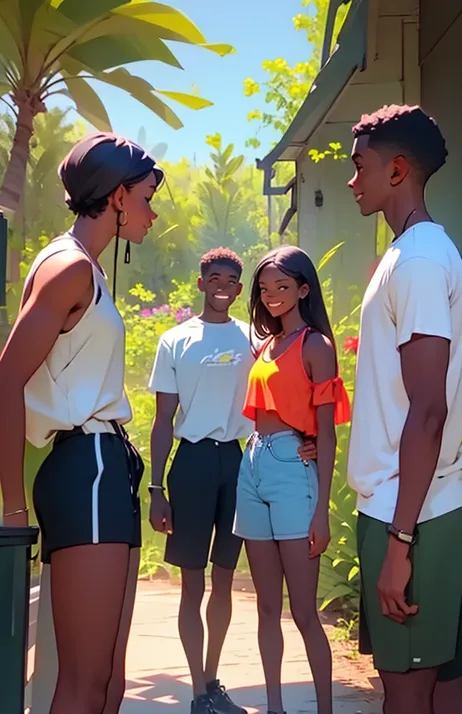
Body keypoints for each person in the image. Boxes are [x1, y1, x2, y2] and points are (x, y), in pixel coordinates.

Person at [0, 132, 164, 714]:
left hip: (104, 468)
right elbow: (7, 377)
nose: (151, 212)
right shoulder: (69, 268)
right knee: (82, 683)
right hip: (86, 466)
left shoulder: (81, 266)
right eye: (146, 198)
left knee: (108, 685)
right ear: (117, 197)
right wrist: (14, 510)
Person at [148, 247, 317, 714]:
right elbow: (163, 420)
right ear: (201, 282)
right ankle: (198, 692)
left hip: (240, 464)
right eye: (215, 277)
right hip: (192, 465)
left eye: (232, 281)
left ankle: (213, 679)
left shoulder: (254, 340)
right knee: (192, 583)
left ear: (242, 290)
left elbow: (287, 386)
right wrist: (157, 488)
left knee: (224, 580)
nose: (223, 286)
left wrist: (311, 437)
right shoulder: (175, 340)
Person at [347, 104, 462, 714]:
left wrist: (400, 542)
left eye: (360, 166)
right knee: (445, 688)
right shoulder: (410, 254)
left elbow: (428, 410)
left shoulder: (419, 260)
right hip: (419, 506)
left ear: (397, 170)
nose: (351, 180)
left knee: (406, 695)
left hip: (413, 513)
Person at [233, 245, 351, 714]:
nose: (273, 296)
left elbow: (326, 433)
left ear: (304, 289)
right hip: (254, 464)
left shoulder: (315, 346)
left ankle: (324, 709)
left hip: (291, 472)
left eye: (283, 287)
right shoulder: (264, 344)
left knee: (303, 612)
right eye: (265, 289)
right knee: (265, 607)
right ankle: (275, 707)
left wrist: (320, 510)